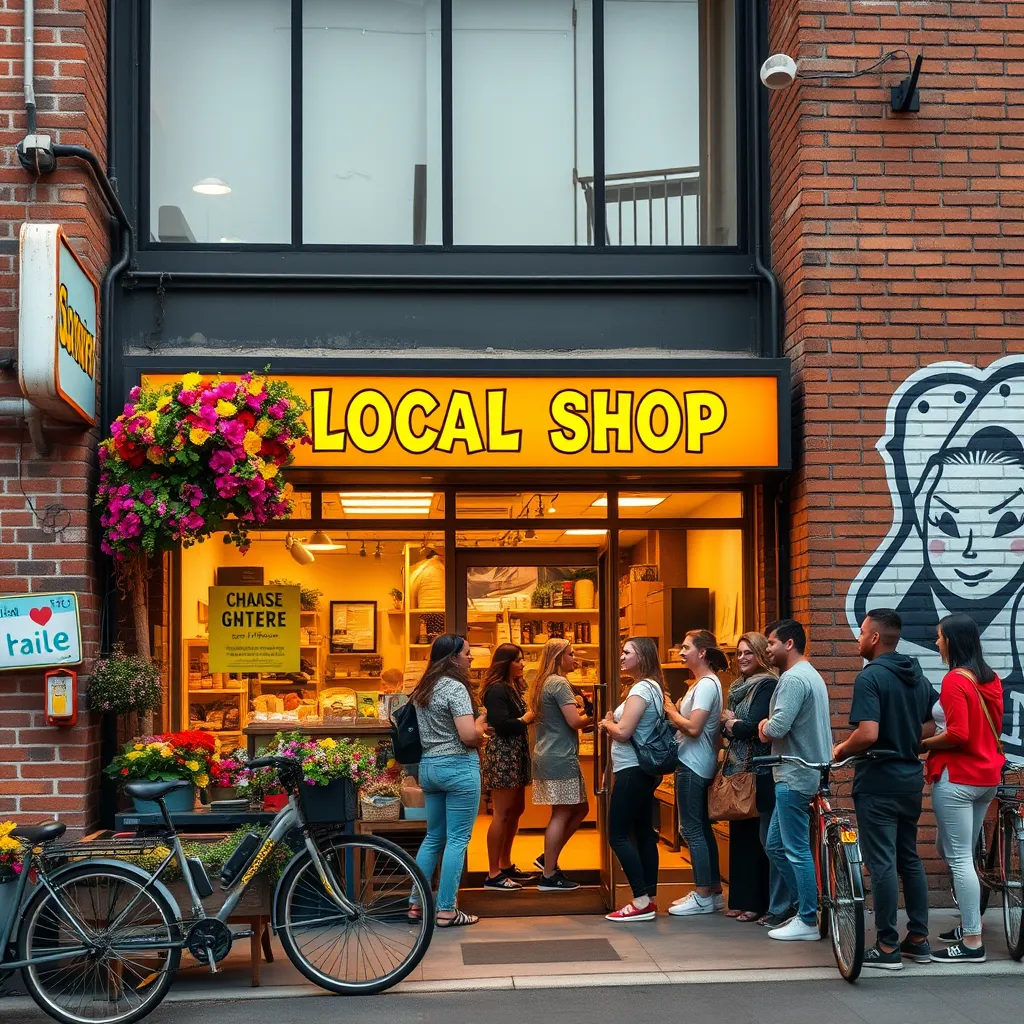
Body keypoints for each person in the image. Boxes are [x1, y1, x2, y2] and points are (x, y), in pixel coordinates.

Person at [832, 608, 937, 969]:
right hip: (910, 779)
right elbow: (932, 724)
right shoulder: (916, 676)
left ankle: (888, 946)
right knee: (909, 857)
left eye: (861, 633)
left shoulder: (871, 677)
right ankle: (919, 939)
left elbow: (868, 733)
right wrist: (906, 736)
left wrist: (841, 749)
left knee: (882, 863)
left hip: (878, 780)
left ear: (875, 638)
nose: (858, 639)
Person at [921, 612, 1006, 964]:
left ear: (952, 641)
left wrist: (921, 746)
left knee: (957, 858)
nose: (937, 642)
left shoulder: (956, 680)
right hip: (987, 778)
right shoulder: (990, 679)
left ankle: (972, 942)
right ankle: (972, 921)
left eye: (940, 637)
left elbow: (958, 735)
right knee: (957, 850)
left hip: (957, 778)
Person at [758, 618, 832, 941]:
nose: (767, 649)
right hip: (811, 772)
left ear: (789, 644)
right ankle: (807, 903)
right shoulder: (813, 675)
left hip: (792, 774)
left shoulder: (791, 679)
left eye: (771, 643)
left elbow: (777, 728)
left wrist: (762, 725)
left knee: (795, 849)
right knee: (775, 844)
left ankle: (806, 918)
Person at [409, 633, 488, 927]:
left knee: (433, 837)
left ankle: (416, 905)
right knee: (457, 840)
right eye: (467, 653)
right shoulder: (455, 688)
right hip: (457, 766)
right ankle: (446, 910)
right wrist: (481, 725)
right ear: (453, 658)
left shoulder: (423, 688)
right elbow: (468, 735)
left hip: (429, 767)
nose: (470, 657)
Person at [598, 637, 665, 921]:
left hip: (632, 770)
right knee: (644, 835)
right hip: (643, 771)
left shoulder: (641, 689)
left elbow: (624, 732)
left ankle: (639, 900)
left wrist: (607, 723)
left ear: (643, 656)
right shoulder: (654, 688)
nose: (621, 656)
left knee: (618, 835)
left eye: (627, 652)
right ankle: (648, 897)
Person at [719, 632, 782, 924]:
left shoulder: (767, 684)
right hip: (737, 769)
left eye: (749, 653)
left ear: (760, 655)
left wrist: (731, 722)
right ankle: (742, 900)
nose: (742, 658)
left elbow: (751, 726)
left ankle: (759, 903)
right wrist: (732, 724)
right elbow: (730, 727)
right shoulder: (737, 687)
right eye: (739, 653)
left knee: (759, 840)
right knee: (741, 838)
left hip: (759, 771)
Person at [664, 629, 726, 917]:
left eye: (686, 647)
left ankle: (702, 894)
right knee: (700, 827)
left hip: (692, 763)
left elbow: (693, 727)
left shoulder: (705, 686)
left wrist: (669, 710)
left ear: (702, 652)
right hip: (699, 762)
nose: (680, 652)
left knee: (692, 829)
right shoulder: (703, 683)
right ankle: (712, 890)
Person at [529, 638, 593, 891]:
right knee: (563, 812)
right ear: (559, 658)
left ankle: (548, 856)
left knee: (580, 809)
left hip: (549, 753)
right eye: (571, 653)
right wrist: (595, 713)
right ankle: (549, 874)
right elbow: (575, 722)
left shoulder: (542, 683)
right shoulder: (559, 683)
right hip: (560, 755)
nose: (575, 658)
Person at [480, 642, 535, 891]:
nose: (522, 664)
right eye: (517, 660)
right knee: (502, 813)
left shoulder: (512, 687)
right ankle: (493, 873)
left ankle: (505, 864)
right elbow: (501, 724)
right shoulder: (497, 689)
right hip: (503, 754)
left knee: (516, 810)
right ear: (505, 663)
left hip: (516, 752)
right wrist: (526, 719)